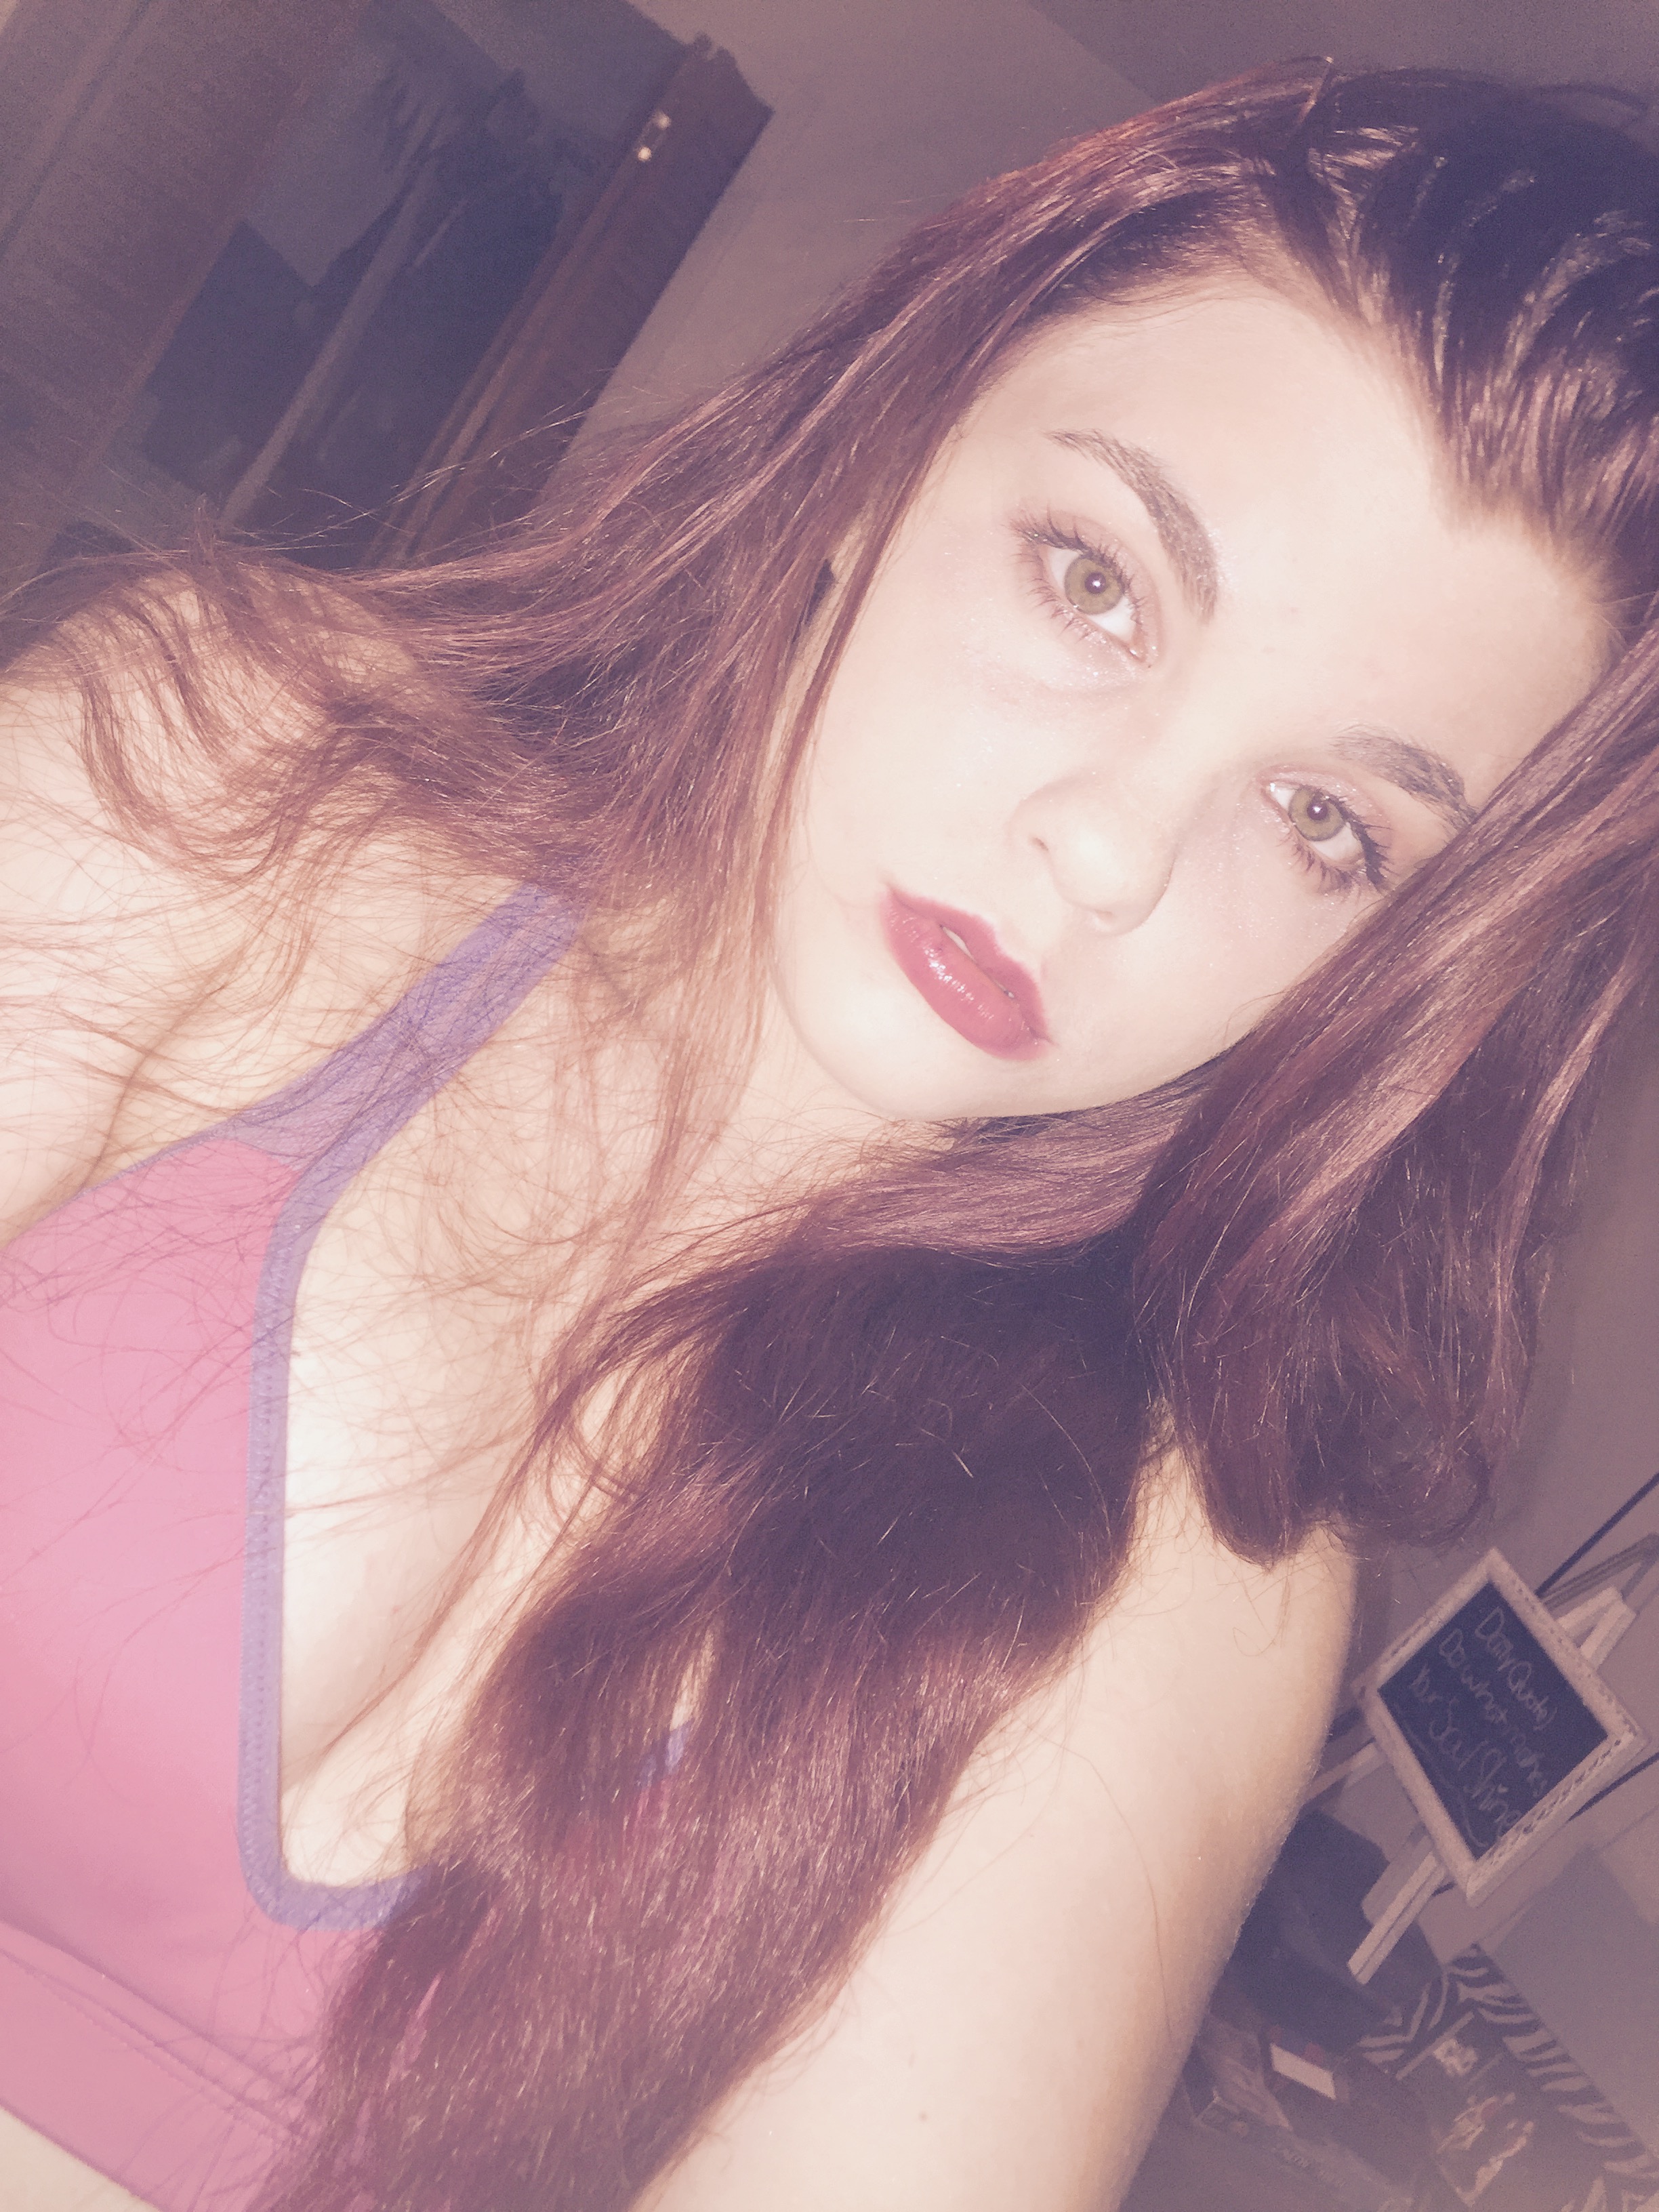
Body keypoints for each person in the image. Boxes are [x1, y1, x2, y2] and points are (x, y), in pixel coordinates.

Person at [5, 58, 1659, 2212]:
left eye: (1326, 822)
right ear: (892, 448)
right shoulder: (236, 781)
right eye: (1093, 582)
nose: (1110, 851)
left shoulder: (1174, 1573)